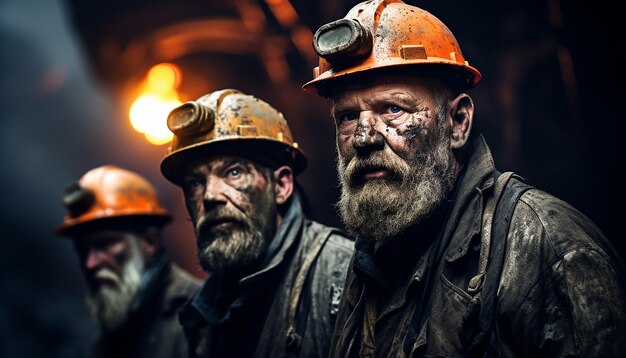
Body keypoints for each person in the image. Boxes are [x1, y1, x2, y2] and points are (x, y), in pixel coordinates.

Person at [301, 0, 626, 356]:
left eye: (393, 109)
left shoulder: (547, 246)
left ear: (458, 123)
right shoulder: (372, 259)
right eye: (347, 116)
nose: (364, 138)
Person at [159, 89, 354, 357]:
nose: (210, 196)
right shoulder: (204, 310)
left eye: (234, 172)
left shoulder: (342, 274)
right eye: (195, 183)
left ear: (281, 185)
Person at [55, 165, 202, 358]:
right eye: (82, 250)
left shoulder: (203, 315)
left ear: (149, 242)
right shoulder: (102, 344)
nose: (91, 263)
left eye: (104, 244)